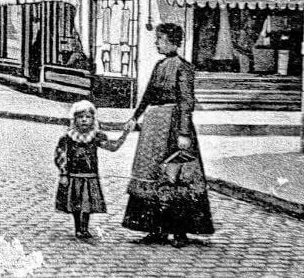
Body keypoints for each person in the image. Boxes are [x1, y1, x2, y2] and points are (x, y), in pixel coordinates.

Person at [122, 23, 213, 248]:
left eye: (160, 39)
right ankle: (156, 229)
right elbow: (148, 94)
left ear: (173, 41)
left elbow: (186, 102)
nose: (156, 43)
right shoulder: (159, 65)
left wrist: (183, 133)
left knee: (177, 176)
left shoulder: (184, 68)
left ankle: (180, 231)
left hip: (173, 126)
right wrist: (136, 116)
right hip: (154, 127)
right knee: (152, 173)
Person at [54, 100, 124, 239]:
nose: (84, 120)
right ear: (74, 120)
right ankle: (78, 228)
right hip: (73, 175)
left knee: (87, 203)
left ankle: (85, 228)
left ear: (93, 119)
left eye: (88, 117)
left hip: (90, 175)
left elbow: (112, 146)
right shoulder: (67, 137)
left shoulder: (96, 136)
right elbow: (60, 156)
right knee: (75, 203)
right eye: (80, 117)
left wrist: (124, 136)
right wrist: (63, 173)